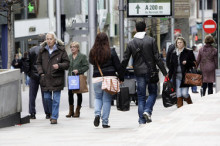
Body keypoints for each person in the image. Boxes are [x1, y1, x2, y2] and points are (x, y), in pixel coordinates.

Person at [121, 21, 167, 126]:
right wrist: (165, 72)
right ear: (145, 29)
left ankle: (141, 120)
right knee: (153, 93)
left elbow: (125, 60)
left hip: (138, 72)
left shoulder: (131, 43)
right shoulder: (151, 40)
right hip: (151, 72)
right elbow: (157, 58)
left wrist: (121, 74)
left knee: (141, 96)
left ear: (135, 29)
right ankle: (147, 110)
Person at [89, 32, 123, 128]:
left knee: (98, 98)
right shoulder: (111, 51)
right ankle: (104, 122)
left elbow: (91, 62)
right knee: (107, 100)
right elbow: (118, 66)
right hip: (109, 78)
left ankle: (97, 114)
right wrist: (121, 77)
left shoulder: (93, 51)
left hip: (96, 78)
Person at [36, 32, 70, 124]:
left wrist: (59, 66)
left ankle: (54, 117)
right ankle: (52, 113)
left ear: (54, 40)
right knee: (46, 98)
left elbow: (67, 63)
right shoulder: (42, 50)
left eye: (50, 39)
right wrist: (41, 73)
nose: (49, 40)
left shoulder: (61, 50)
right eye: (47, 39)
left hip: (57, 78)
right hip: (45, 78)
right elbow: (38, 63)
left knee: (56, 99)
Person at [23, 35, 51, 119]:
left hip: (33, 75)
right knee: (45, 95)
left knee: (32, 95)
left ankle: (32, 113)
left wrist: (29, 73)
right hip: (43, 75)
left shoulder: (32, 50)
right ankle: (47, 113)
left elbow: (26, 63)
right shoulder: (46, 50)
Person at [168, 37, 195, 108]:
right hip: (176, 76)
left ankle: (190, 103)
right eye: (178, 43)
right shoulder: (173, 53)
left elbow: (194, 63)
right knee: (179, 94)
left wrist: (187, 62)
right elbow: (171, 66)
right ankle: (180, 110)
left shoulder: (188, 52)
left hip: (185, 76)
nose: (179, 44)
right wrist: (169, 77)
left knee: (184, 93)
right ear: (176, 44)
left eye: (181, 42)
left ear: (184, 43)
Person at [66, 41, 89, 118]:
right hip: (71, 77)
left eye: (74, 47)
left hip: (78, 77)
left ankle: (77, 111)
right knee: (70, 94)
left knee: (79, 93)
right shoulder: (69, 56)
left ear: (78, 48)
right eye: (71, 47)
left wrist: (78, 70)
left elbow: (86, 66)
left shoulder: (82, 56)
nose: (72, 48)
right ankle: (71, 111)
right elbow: (67, 66)